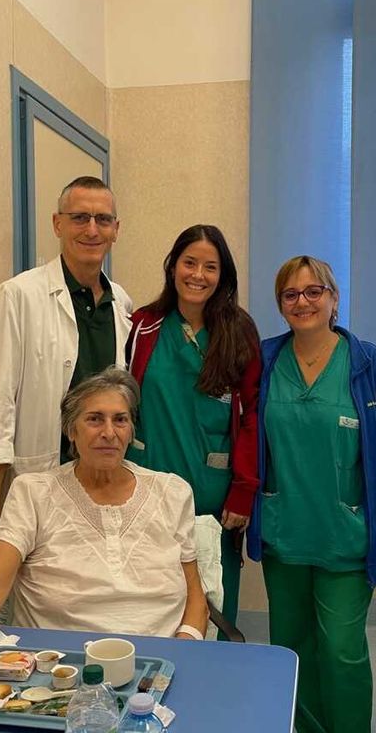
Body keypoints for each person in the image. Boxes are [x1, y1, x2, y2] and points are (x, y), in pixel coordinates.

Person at [0, 368, 209, 720]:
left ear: (131, 430)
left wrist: (183, 653)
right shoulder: (34, 492)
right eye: (94, 419)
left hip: (158, 668)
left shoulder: (172, 492)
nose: (109, 432)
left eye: (120, 420)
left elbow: (195, 595)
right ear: (71, 430)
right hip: (58, 673)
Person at [245, 255, 376, 733]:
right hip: (285, 533)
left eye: (313, 291)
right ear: (280, 304)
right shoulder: (264, 360)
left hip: (347, 536)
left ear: (333, 298)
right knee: (291, 648)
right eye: (290, 294)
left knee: (342, 650)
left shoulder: (366, 364)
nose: (302, 302)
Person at [0, 176, 133, 534]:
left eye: (103, 219)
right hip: (43, 475)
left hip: (102, 477)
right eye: (80, 217)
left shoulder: (120, 302)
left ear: (116, 230)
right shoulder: (20, 295)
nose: (92, 229)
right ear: (57, 224)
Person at [126, 225, 260, 631]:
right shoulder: (143, 326)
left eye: (210, 266)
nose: (198, 275)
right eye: (189, 263)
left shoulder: (239, 331)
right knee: (152, 605)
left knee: (213, 603)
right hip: (147, 485)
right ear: (173, 267)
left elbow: (252, 416)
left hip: (212, 494)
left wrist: (244, 489)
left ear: (223, 275)